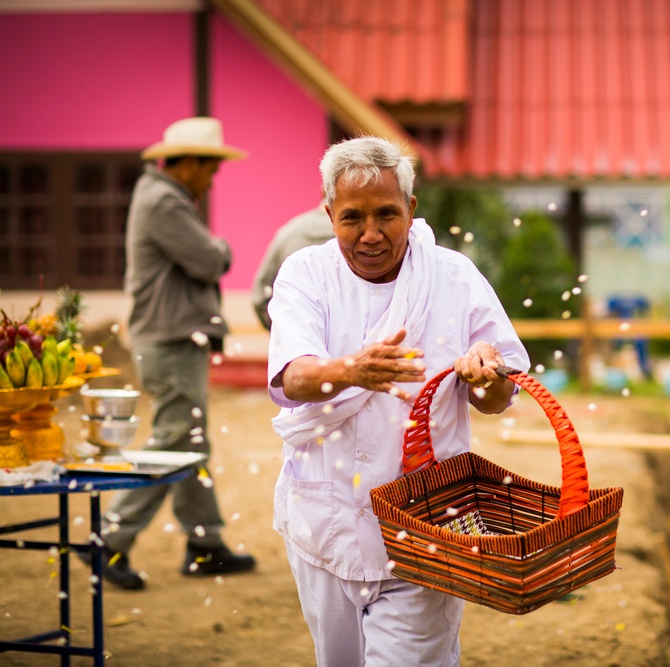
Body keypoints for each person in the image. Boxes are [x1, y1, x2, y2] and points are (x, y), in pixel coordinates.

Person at [267, 136, 529, 666]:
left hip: (427, 523)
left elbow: (498, 395)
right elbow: (292, 377)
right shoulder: (305, 273)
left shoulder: (454, 277)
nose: (370, 234)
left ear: (410, 209)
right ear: (329, 215)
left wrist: (485, 373)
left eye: (386, 214)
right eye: (352, 217)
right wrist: (352, 371)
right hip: (325, 516)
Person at [91, 117, 257, 590]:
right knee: (173, 444)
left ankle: (205, 544)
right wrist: (221, 247)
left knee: (189, 442)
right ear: (187, 164)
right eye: (210, 169)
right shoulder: (164, 201)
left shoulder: (163, 196)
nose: (212, 179)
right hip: (170, 340)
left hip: (171, 339)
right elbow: (209, 259)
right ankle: (109, 538)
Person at [250, 203, 333, 329]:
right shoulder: (359, 235)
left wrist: (284, 329)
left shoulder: (288, 233)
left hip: (295, 330)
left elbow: (260, 295)